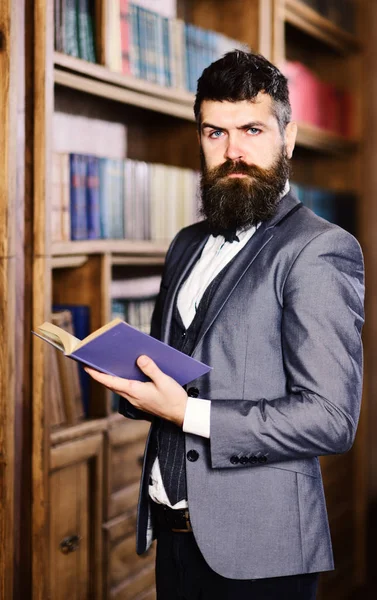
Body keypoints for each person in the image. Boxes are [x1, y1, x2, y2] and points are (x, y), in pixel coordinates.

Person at [85, 51, 365, 599]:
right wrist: (131, 382)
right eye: (215, 132)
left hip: (262, 553)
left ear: (288, 138)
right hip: (173, 539)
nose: (233, 151)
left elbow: (331, 418)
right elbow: (176, 369)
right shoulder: (185, 244)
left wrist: (186, 412)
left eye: (252, 129)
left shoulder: (320, 249)